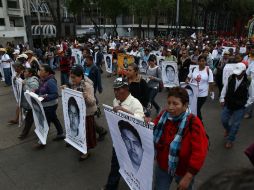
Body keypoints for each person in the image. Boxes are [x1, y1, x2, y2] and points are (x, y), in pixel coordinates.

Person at [153, 87, 208, 190]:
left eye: (175, 103)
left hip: (183, 171)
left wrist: (188, 176)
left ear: (185, 105)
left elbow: (199, 152)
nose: (170, 107)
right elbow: (152, 128)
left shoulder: (194, 123)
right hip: (163, 166)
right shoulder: (163, 115)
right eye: (169, 103)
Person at [102, 77, 144, 190]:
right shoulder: (115, 101)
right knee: (115, 165)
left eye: (118, 89)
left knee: (133, 168)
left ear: (126, 89)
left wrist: (125, 111)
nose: (116, 92)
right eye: (114, 89)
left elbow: (140, 122)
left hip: (133, 145)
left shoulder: (135, 103)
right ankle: (111, 186)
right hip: (119, 142)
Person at [64, 65, 97, 160]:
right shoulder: (73, 83)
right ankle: (76, 143)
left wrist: (86, 96)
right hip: (77, 112)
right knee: (77, 129)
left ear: (81, 76)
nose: (72, 79)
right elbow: (71, 91)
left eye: (74, 77)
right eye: (71, 77)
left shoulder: (87, 86)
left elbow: (92, 102)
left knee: (86, 133)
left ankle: (85, 151)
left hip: (87, 113)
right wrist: (65, 88)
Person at [34, 64, 65, 148]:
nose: (39, 72)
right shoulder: (43, 79)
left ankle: (42, 141)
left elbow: (55, 94)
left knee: (46, 122)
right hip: (46, 105)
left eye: (41, 70)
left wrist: (45, 97)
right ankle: (61, 133)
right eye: (39, 70)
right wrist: (35, 91)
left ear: (47, 72)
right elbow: (41, 89)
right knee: (54, 118)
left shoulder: (50, 81)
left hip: (50, 105)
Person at [220, 62, 249, 149]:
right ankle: (228, 130)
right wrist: (222, 98)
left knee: (235, 125)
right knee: (224, 119)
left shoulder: (249, 81)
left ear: (244, 72)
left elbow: (252, 96)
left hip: (240, 106)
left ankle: (230, 140)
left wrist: (245, 105)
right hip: (229, 103)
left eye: (239, 73)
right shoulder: (230, 78)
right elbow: (225, 88)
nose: (237, 75)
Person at [84, 55, 107, 141]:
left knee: (93, 101)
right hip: (86, 87)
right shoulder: (86, 67)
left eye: (87, 60)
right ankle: (96, 109)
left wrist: (100, 87)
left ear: (91, 60)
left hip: (91, 87)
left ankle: (100, 131)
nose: (86, 61)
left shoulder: (95, 68)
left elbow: (98, 78)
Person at [186, 55, 214, 121]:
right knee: (193, 109)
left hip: (202, 94)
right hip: (193, 93)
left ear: (205, 62)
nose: (201, 62)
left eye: (203, 61)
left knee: (197, 109)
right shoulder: (193, 69)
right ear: (197, 62)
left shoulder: (208, 71)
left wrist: (211, 92)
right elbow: (188, 78)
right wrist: (187, 80)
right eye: (200, 61)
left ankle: (200, 124)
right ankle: (196, 123)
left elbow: (211, 82)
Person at [19, 68, 39, 139]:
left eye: (26, 72)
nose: (24, 72)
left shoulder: (33, 80)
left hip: (31, 104)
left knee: (29, 119)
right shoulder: (26, 79)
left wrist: (24, 85)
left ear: (30, 74)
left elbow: (32, 91)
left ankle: (24, 134)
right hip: (28, 103)